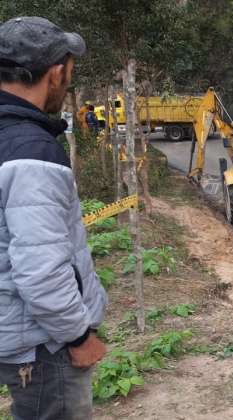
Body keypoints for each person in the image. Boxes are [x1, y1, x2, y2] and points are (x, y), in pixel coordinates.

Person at [0, 17, 108, 419]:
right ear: (57, 73)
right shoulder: (31, 149)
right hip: (43, 347)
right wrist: (78, 336)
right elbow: (41, 269)